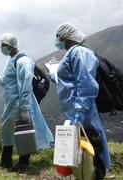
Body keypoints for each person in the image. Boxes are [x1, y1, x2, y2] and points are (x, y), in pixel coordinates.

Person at [50, 23, 111, 172]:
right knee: (82, 145)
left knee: (92, 140)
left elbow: (86, 83)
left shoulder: (80, 53)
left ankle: (98, 171)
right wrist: (56, 76)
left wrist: (81, 108)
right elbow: (72, 79)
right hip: (74, 106)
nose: (57, 40)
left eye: (58, 37)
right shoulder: (73, 53)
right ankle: (84, 172)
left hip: (83, 107)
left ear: (64, 37)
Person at [0, 33, 54, 172]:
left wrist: (25, 105)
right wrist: (0, 81)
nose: (1, 48)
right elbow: (10, 83)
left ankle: (23, 162)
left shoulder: (23, 61)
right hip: (10, 102)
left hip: (20, 102)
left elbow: (26, 84)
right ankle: (6, 160)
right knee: (6, 130)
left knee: (23, 131)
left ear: (11, 46)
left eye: (4, 45)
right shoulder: (11, 59)